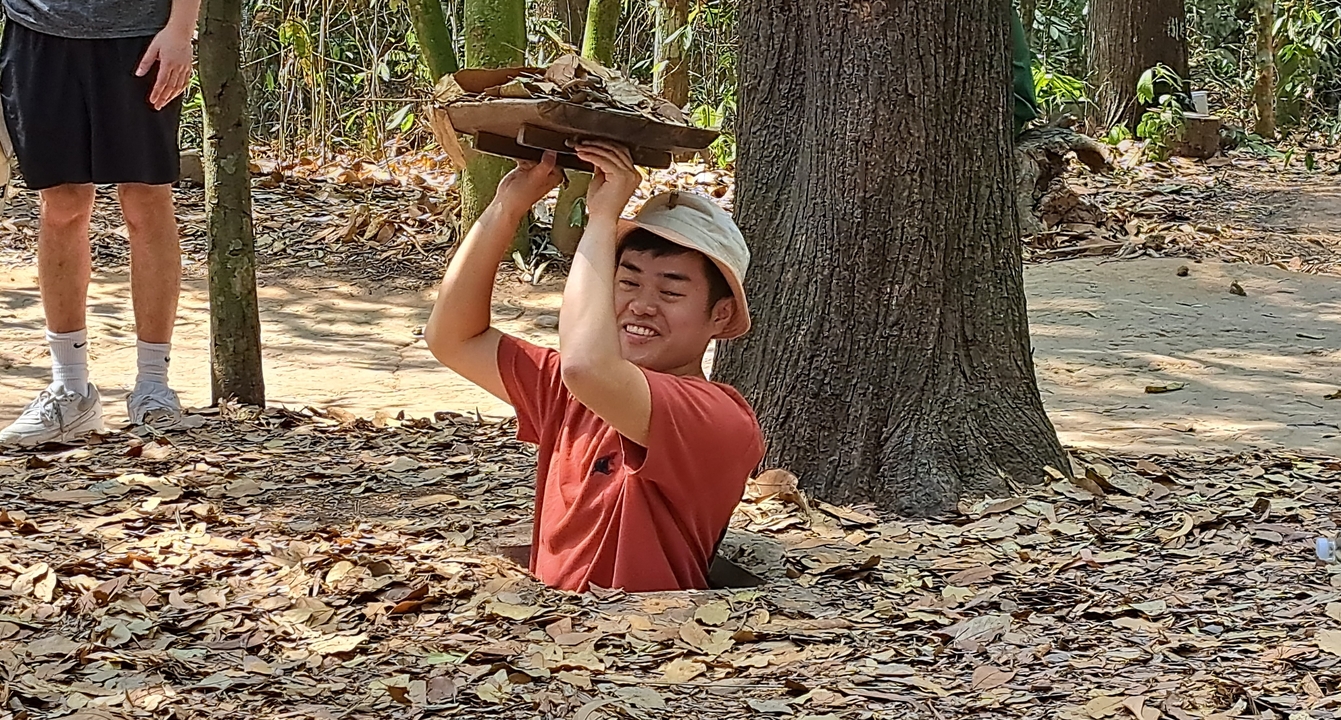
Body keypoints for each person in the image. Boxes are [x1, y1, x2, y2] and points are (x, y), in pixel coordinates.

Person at [424, 143, 764, 593]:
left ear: (719, 316)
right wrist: (508, 205)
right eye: (627, 282)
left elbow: (585, 364)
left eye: (670, 293)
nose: (640, 306)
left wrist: (602, 219)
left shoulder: (717, 416)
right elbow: (452, 338)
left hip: (639, 650)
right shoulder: (570, 390)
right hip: (549, 644)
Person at [0, 0, 198, 445]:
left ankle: (153, 388)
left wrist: (181, 31)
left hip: (139, 35)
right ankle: (70, 391)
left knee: (145, 198)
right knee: (62, 204)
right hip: (37, 32)